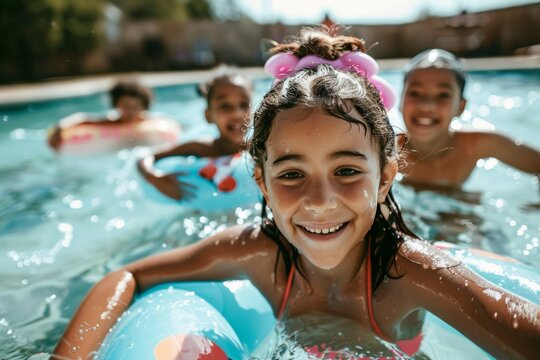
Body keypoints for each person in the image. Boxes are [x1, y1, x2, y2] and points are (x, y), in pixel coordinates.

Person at [53, 29, 539, 359]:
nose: (320, 199)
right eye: (290, 175)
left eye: (347, 170)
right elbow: (129, 275)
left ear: (387, 176)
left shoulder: (413, 272)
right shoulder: (256, 252)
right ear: (260, 181)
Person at [399, 48, 540, 191]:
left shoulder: (476, 145)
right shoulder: (387, 150)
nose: (427, 105)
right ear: (400, 102)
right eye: (415, 93)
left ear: (461, 107)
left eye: (443, 95)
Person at [136, 65, 253, 200]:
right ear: (208, 116)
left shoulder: (259, 148)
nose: (236, 114)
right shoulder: (201, 148)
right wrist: (154, 177)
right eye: (225, 106)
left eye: (244, 105)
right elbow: (145, 156)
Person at [47, 81, 155, 151]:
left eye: (135, 107)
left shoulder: (150, 123)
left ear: (144, 107)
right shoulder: (112, 121)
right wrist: (60, 127)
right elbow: (82, 118)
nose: (130, 111)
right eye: (126, 106)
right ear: (116, 104)